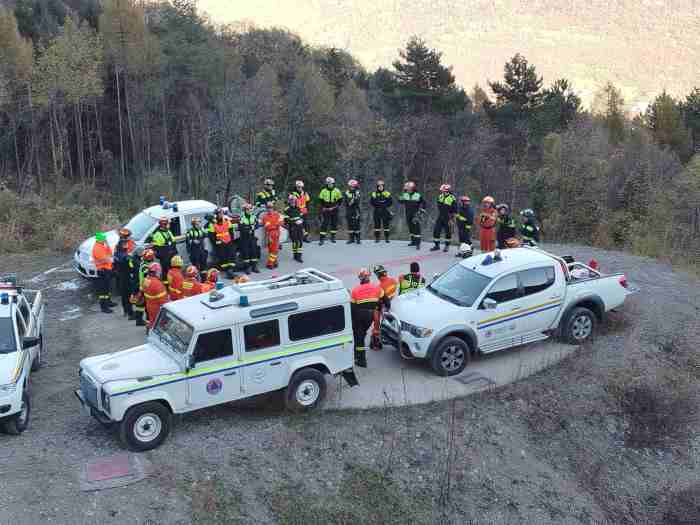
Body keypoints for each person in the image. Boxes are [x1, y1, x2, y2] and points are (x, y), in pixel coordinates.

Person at [350, 269, 385, 368]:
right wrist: (380, 308)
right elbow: (386, 301)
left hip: (359, 316)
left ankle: (361, 360)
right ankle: (359, 355)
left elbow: (352, 308)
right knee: (361, 334)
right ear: (369, 277)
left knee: (359, 337)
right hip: (370, 316)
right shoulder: (377, 288)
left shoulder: (355, 290)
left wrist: (352, 323)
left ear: (360, 278)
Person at [370, 264, 398, 350]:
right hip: (395, 306)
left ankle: (376, 342)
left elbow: (379, 301)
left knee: (377, 322)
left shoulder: (379, 287)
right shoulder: (394, 281)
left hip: (385, 308)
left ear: (378, 275)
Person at [113, 228, 136, 318]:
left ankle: (126, 311)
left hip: (121, 274)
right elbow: (128, 261)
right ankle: (130, 312)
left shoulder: (118, 247)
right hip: (126, 274)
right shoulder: (123, 251)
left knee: (124, 294)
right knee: (128, 293)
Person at [207, 208, 236, 277]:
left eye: (222, 213)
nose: (221, 215)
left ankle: (231, 270)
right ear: (216, 215)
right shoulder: (212, 224)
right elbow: (211, 235)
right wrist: (216, 242)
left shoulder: (226, 221)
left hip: (228, 241)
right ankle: (227, 271)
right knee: (223, 257)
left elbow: (231, 231)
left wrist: (231, 240)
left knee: (231, 255)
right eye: (219, 214)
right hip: (220, 243)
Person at [92, 232, 116, 313]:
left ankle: (108, 302)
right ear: (100, 240)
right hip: (103, 270)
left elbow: (110, 254)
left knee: (107, 288)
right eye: (104, 239)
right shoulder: (97, 248)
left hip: (107, 269)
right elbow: (106, 259)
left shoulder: (102, 246)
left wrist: (107, 244)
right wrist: (108, 258)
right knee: (103, 290)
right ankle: (104, 307)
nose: (105, 239)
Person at [398, 181, 425, 249]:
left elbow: (424, 203)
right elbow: (400, 201)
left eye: (408, 188)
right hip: (408, 214)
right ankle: (413, 241)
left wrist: (422, 211)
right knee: (411, 228)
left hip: (416, 214)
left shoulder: (417, 195)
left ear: (412, 188)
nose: (407, 189)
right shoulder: (405, 194)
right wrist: (401, 196)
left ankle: (418, 243)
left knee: (416, 228)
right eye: (406, 188)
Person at [142, 262, 169, 329]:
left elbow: (143, 291)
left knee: (152, 321)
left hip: (149, 305)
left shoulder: (145, 280)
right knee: (159, 324)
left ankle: (150, 329)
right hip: (157, 308)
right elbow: (163, 301)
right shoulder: (158, 284)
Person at [431, 184, 457, 252]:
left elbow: (455, 209)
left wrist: (452, 218)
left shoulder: (452, 198)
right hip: (440, 216)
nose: (442, 191)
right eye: (442, 190)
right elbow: (438, 205)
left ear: (446, 190)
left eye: (443, 190)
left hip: (448, 217)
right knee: (436, 230)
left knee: (448, 232)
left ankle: (447, 246)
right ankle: (436, 245)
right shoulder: (440, 196)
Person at [151, 217, 177, 284]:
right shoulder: (157, 234)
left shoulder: (168, 232)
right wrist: (162, 257)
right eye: (167, 224)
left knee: (173, 271)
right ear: (163, 224)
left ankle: (174, 284)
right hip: (164, 257)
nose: (169, 225)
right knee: (165, 273)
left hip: (171, 255)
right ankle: (167, 286)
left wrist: (174, 253)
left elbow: (173, 242)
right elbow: (156, 248)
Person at [318, 177, 343, 245]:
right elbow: (320, 200)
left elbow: (340, 200)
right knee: (324, 224)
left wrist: (336, 207)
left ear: (333, 183)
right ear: (327, 184)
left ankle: (333, 237)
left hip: (334, 209)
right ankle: (322, 239)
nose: (330, 185)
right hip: (326, 209)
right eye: (328, 184)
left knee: (334, 223)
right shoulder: (323, 191)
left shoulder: (337, 190)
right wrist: (323, 207)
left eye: (331, 184)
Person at [238, 203, 260, 274]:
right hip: (244, 238)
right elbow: (241, 227)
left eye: (250, 209)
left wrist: (252, 227)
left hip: (252, 237)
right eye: (247, 209)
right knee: (246, 253)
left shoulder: (253, 216)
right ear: (244, 210)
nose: (249, 210)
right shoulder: (242, 217)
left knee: (254, 251)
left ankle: (254, 266)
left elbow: (257, 225)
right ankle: (247, 268)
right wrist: (250, 227)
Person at [262, 201, 283, 269]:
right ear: (266, 208)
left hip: (277, 233)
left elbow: (281, 222)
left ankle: (273, 262)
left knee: (274, 249)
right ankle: (270, 263)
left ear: (273, 208)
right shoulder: (265, 217)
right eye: (268, 207)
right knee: (272, 250)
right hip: (270, 234)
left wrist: (274, 224)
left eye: (270, 207)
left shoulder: (277, 214)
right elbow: (267, 226)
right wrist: (275, 224)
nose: (269, 209)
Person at [284, 195, 305, 263]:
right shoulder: (287, 209)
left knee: (300, 242)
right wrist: (294, 222)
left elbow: (302, 217)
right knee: (295, 242)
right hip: (292, 227)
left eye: (294, 200)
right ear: (289, 201)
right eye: (291, 200)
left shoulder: (298, 208)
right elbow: (286, 220)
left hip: (300, 227)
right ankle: (295, 255)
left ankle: (299, 256)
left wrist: (301, 221)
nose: (293, 201)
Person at [129, 247, 146, 326]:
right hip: (137, 284)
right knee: (140, 303)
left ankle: (137, 317)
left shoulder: (134, 259)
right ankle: (139, 320)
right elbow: (139, 273)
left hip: (135, 283)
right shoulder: (137, 262)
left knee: (139, 303)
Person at [344, 179, 362, 244]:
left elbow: (357, 201)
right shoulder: (346, 192)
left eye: (353, 186)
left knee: (357, 225)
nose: (352, 187)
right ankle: (351, 239)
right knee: (350, 225)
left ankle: (358, 239)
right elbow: (345, 202)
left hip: (356, 210)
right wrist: (349, 203)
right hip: (349, 210)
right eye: (351, 186)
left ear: (356, 186)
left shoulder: (358, 192)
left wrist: (353, 201)